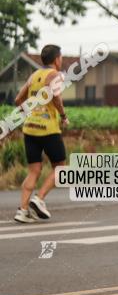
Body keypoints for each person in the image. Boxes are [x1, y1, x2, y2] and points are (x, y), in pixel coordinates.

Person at [12, 44, 69, 224]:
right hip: (48, 129)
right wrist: (63, 116)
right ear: (56, 59)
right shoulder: (54, 75)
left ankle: (22, 211)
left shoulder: (33, 76)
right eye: (61, 57)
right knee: (61, 167)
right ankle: (39, 198)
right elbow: (56, 97)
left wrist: (29, 112)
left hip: (30, 129)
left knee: (34, 170)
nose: (62, 60)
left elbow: (18, 99)